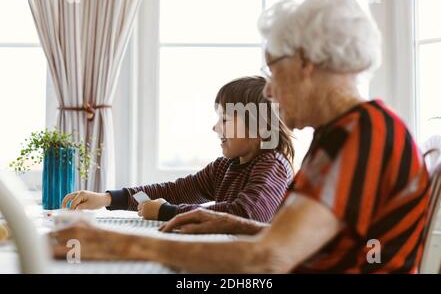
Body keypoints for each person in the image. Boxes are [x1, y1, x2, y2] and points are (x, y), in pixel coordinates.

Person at [51, 0, 430, 273]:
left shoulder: (363, 135)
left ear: (306, 62)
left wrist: (121, 245)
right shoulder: (349, 132)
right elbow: (293, 241)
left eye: (273, 69)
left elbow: (270, 258)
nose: (269, 91)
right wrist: (230, 223)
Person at [61, 76, 294, 223]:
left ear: (258, 127)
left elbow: (247, 214)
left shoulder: (272, 165)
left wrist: (167, 212)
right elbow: (178, 190)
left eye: (225, 120)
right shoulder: (226, 166)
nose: (215, 127)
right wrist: (107, 198)